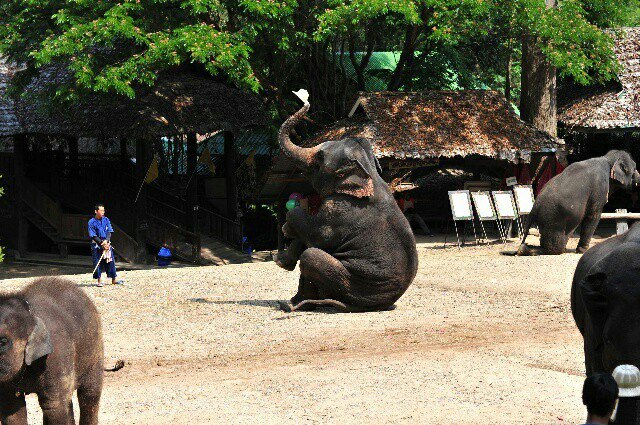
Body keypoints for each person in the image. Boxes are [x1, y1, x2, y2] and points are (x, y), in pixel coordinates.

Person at [88, 204, 123, 287]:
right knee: (97, 261)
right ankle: (99, 280)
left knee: (110, 261)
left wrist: (106, 241)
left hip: (107, 243)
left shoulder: (106, 219)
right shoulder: (91, 222)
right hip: (97, 243)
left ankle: (114, 279)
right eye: (101, 210)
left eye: (103, 210)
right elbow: (93, 235)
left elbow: (109, 231)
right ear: (96, 211)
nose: (103, 212)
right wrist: (101, 243)